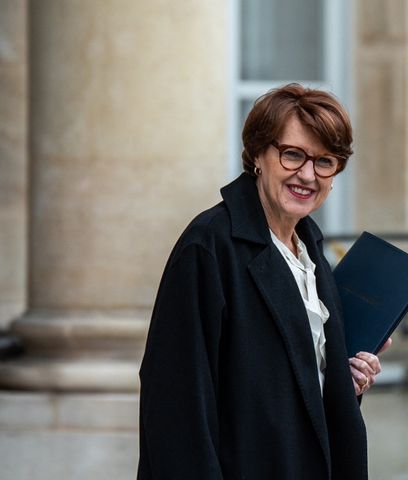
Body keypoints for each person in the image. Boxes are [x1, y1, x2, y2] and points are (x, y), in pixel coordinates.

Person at [138, 83, 390, 480]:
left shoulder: (309, 249)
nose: (307, 175)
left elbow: (289, 388)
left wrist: (342, 381)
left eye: (325, 161)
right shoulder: (208, 246)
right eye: (292, 154)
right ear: (257, 153)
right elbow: (174, 407)